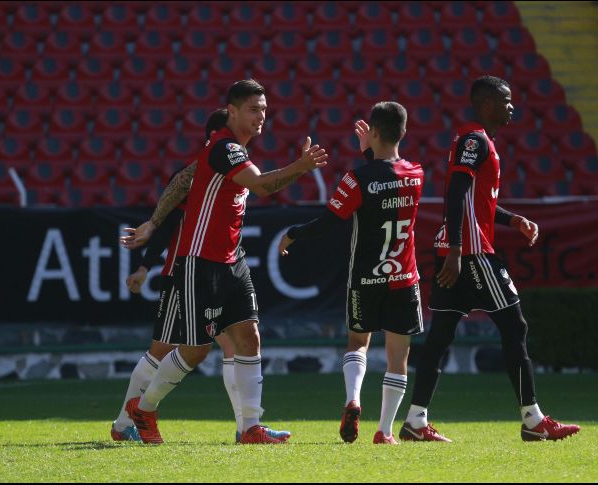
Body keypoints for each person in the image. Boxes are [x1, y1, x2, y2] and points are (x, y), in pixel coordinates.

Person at [122, 79, 328, 445]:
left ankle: (250, 427)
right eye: (253, 109)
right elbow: (263, 186)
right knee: (193, 349)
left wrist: (153, 223)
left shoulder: (232, 154)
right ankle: (143, 409)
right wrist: (300, 165)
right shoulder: (224, 149)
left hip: (232, 261)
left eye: (264, 109)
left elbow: (182, 183)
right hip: (198, 261)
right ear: (231, 112)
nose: (261, 116)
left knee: (249, 337)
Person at [398, 75, 581, 442]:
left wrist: (512, 219)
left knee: (440, 338)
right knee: (515, 328)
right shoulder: (474, 140)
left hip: (461, 249)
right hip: (472, 252)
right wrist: (455, 250)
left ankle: (415, 421)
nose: (512, 106)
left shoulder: (480, 142)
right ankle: (533, 420)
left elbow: (475, 202)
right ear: (485, 103)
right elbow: (455, 193)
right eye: (506, 100)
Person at [279, 102, 425, 445]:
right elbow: (389, 175)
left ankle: (353, 399)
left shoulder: (357, 178)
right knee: (398, 356)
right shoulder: (417, 174)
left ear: (373, 133)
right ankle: (385, 431)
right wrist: (373, 155)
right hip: (403, 278)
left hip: (366, 278)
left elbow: (330, 222)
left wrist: (294, 232)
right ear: (403, 133)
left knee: (357, 344)